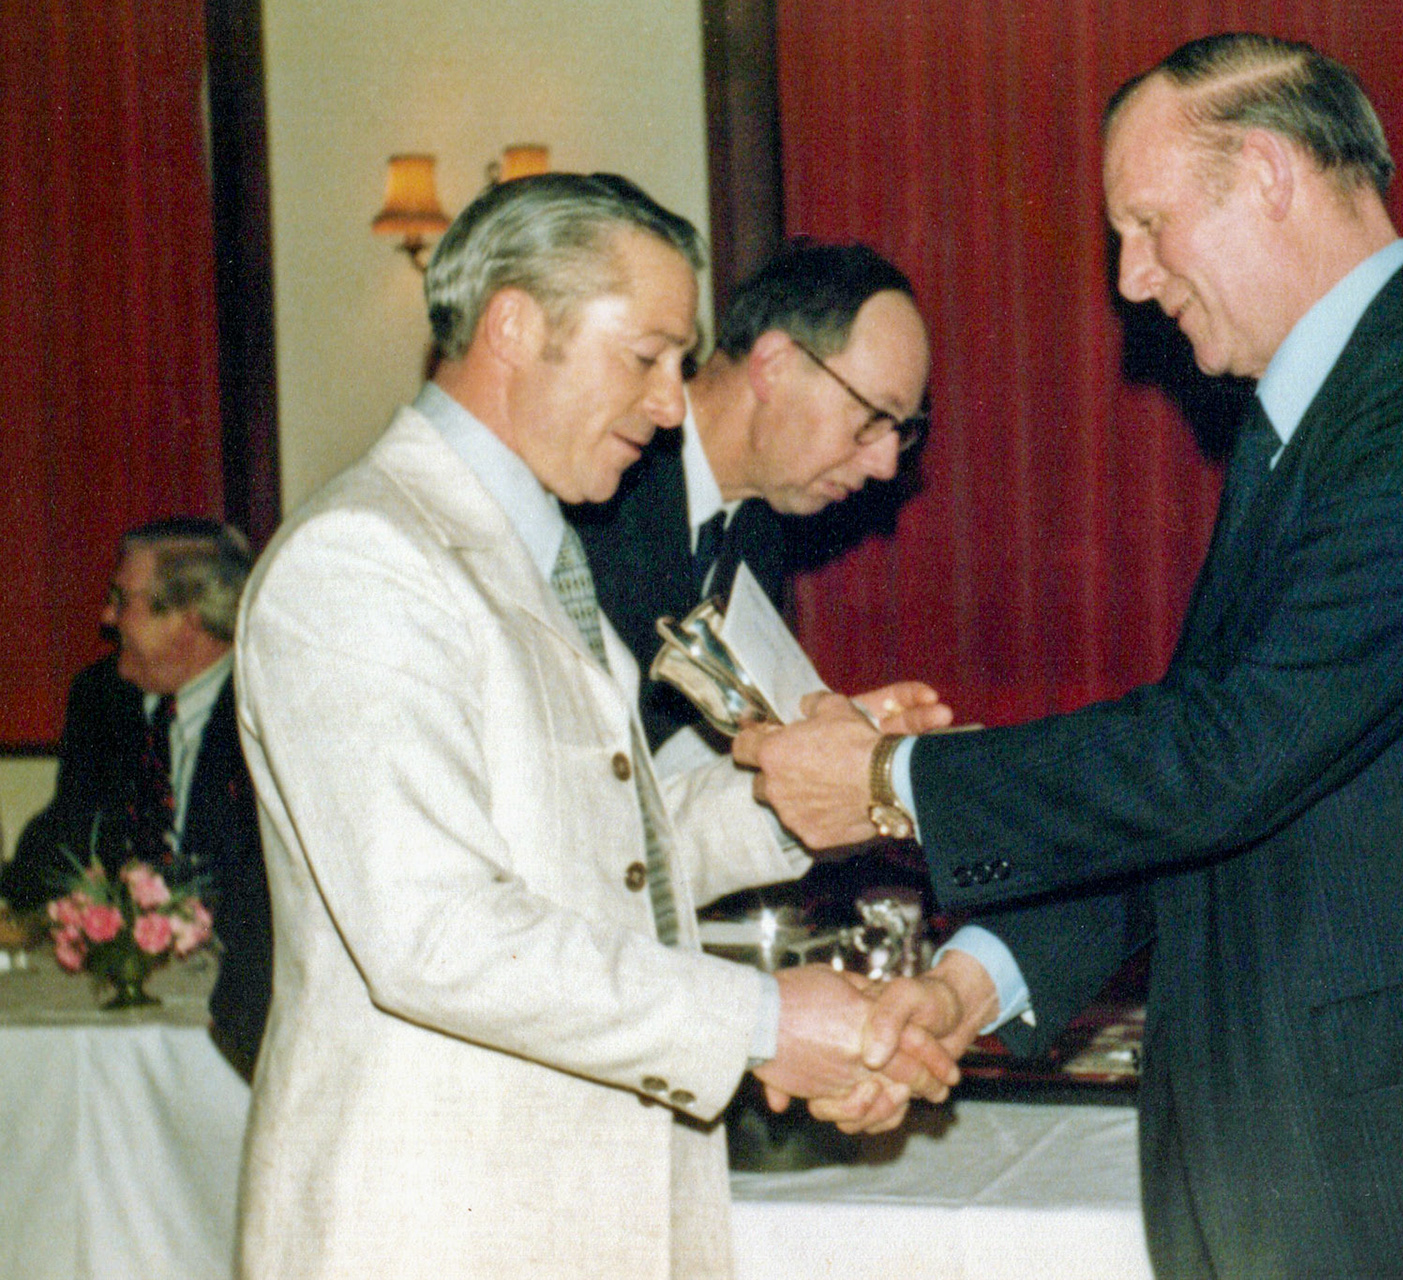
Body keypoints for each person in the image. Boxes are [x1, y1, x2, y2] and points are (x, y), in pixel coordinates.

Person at [737, 35, 1403, 1279]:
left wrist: (894, 779)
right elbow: (1222, 792)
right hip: (1382, 1179)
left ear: (1267, 173)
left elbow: (1232, 754)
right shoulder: (1334, 417)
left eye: (1148, 224)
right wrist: (968, 985)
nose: (1132, 277)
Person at [231, 172, 953, 1278]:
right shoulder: (365, 557)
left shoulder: (542, 552)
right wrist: (762, 1018)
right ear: (515, 323)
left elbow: (613, 851)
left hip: (580, 1202)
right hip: (431, 1220)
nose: (674, 405)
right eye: (648, 357)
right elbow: (434, 933)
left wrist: (802, 786)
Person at [568, 239, 930, 750]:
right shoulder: (593, 490)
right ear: (774, 365)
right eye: (873, 418)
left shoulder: (758, 534)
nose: (887, 463)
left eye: (902, 430)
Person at [1, 518, 271, 1080]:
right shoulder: (101, 698)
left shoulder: (268, 707)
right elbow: (65, 834)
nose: (106, 618)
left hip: (237, 1008)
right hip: (119, 990)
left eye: (123, 601)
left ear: (190, 620)